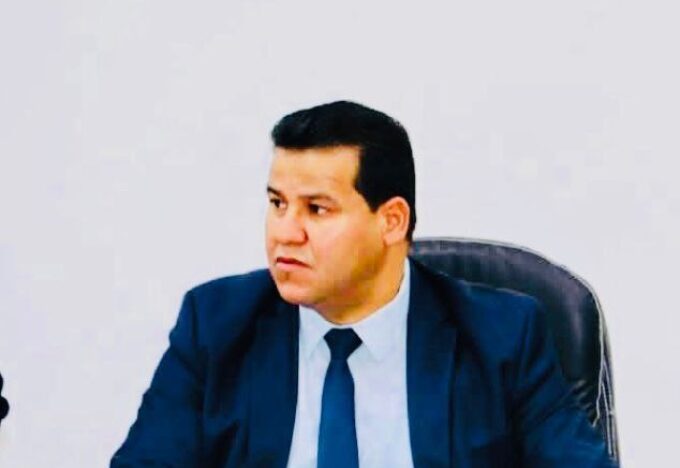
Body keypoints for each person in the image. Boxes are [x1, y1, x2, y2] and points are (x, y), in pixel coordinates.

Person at [112, 101, 618, 467]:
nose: (285, 232)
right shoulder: (216, 325)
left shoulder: (502, 336)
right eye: (277, 204)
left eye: (317, 209)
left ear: (392, 221)